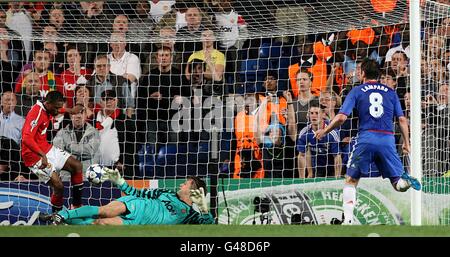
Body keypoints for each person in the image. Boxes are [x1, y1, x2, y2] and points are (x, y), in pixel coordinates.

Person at [314, 59, 421, 225]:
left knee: (351, 180)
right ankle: (407, 181)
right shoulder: (391, 92)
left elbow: (342, 117)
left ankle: (348, 220)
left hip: (366, 138)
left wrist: (325, 130)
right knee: (397, 183)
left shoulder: (357, 90)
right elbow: (401, 119)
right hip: (387, 139)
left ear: (362, 73)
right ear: (378, 75)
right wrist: (407, 142)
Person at [39, 170, 214, 225]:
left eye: (186, 184)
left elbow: (210, 227)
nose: (181, 185)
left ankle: (60, 218)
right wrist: (120, 181)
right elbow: (136, 192)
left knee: (100, 224)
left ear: (194, 191)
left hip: (138, 223)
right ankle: (65, 214)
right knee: (104, 212)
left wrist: (204, 207)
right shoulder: (166, 193)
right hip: (137, 205)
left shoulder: (191, 215)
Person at [21, 91, 84, 212]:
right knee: (58, 186)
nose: (58, 111)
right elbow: (26, 138)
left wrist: (70, 110)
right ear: (48, 103)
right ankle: (56, 216)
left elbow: (58, 110)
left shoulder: (48, 108)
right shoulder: (36, 113)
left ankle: (76, 206)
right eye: (56, 108)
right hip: (34, 156)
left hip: (46, 149)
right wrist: (42, 155)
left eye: (60, 107)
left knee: (77, 165)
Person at [297, 100, 342, 178]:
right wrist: (303, 178)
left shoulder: (332, 132)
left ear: (323, 114)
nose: (314, 116)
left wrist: (337, 177)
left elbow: (337, 156)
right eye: (311, 113)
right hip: (316, 169)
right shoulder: (304, 133)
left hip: (331, 169)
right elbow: (301, 155)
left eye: (317, 113)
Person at [53, 103, 100, 176]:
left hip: (87, 176)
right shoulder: (61, 133)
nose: (78, 116)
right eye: (75, 113)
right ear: (70, 115)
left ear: (86, 115)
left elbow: (90, 151)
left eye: (81, 113)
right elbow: (58, 155)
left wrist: (69, 146)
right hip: (67, 176)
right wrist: (81, 151)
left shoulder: (94, 132)